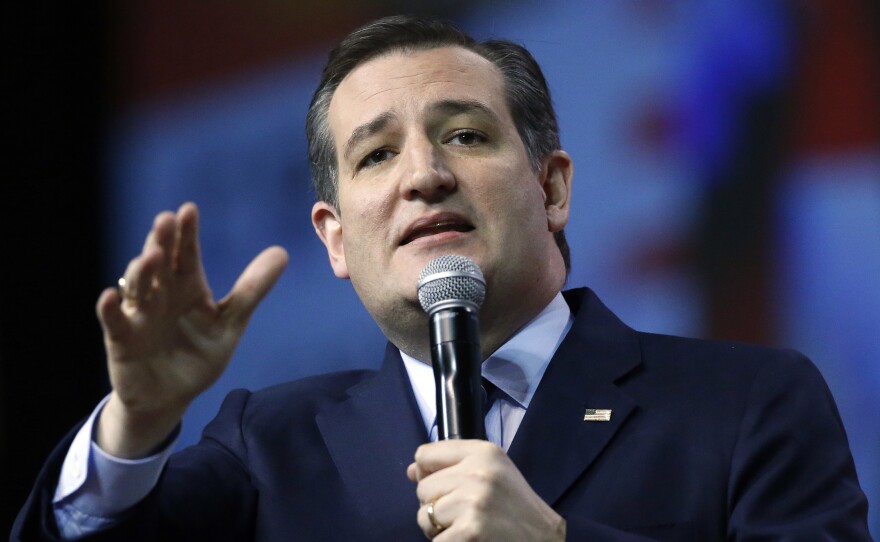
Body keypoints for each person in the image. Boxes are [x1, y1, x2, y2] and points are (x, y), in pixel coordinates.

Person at [11, 14, 871, 541]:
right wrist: (137, 422)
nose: (422, 174)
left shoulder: (748, 401)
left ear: (553, 187)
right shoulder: (267, 447)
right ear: (336, 239)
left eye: (463, 134)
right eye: (377, 153)